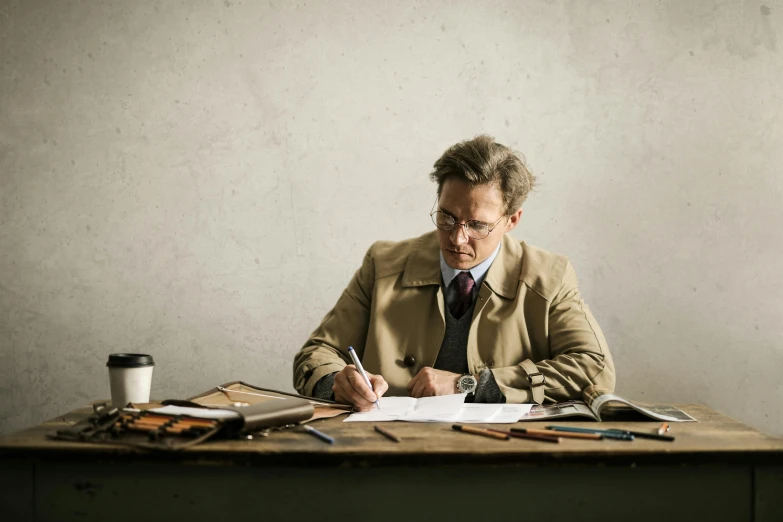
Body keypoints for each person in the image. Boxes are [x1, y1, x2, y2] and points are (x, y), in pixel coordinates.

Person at [293, 135, 615, 411]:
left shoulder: (549, 276)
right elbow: (317, 353)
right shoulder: (383, 263)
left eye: (477, 225)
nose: (457, 238)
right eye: (446, 217)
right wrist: (337, 382)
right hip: (388, 449)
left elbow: (593, 367)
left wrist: (473, 385)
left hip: (502, 454)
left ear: (512, 220)